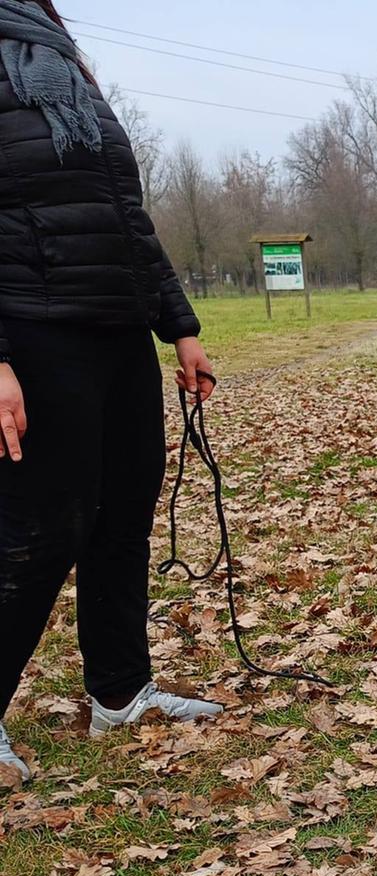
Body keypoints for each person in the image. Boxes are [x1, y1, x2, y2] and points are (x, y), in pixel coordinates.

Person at [0, 0, 222, 785]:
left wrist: (179, 324)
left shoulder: (62, 60)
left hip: (117, 327)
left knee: (124, 511)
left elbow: (124, 216)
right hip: (32, 327)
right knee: (40, 529)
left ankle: (121, 693)